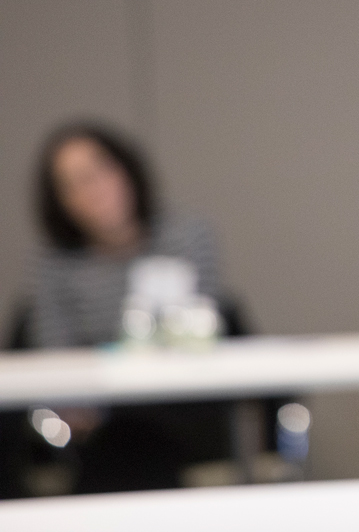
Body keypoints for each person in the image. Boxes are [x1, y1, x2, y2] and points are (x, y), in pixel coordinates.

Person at [6, 121, 229, 494]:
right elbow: (55, 348)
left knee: (134, 437)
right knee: (119, 439)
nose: (91, 190)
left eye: (97, 171)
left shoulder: (186, 236)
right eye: (72, 183)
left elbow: (193, 329)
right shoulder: (55, 262)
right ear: (60, 201)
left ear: (125, 169)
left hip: (180, 402)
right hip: (97, 417)